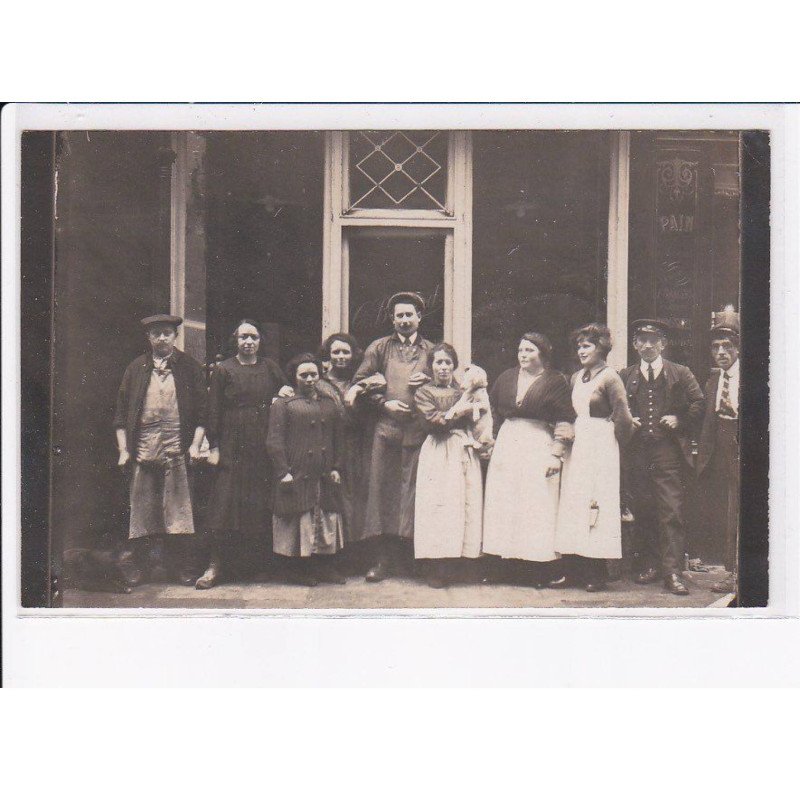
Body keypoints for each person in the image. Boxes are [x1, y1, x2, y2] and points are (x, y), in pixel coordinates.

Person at [113, 314, 207, 586]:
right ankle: (140, 569)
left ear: (175, 336)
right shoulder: (136, 368)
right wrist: (124, 450)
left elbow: (203, 413)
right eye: (156, 333)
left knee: (178, 510)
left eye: (167, 333)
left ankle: (179, 568)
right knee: (143, 510)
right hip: (144, 446)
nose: (162, 338)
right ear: (149, 337)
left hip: (177, 447)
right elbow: (121, 414)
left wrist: (195, 444)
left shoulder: (189, 367)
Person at [347, 291, 433, 582]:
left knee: (413, 492)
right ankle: (382, 560)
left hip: (418, 432)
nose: (404, 320)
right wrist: (384, 403)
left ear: (419, 317)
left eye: (409, 315)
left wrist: (430, 380)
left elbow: (448, 383)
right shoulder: (380, 348)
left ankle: (412, 561)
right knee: (382, 493)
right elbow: (359, 383)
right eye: (399, 316)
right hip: (385, 431)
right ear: (393, 319)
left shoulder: (431, 350)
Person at [196, 319, 288, 589]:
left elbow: (285, 394)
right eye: (243, 337)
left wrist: (283, 393)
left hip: (261, 442)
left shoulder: (270, 367)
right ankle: (214, 565)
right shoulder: (224, 369)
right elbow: (213, 409)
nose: (248, 342)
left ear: (260, 341)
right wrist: (214, 446)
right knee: (225, 503)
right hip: (232, 442)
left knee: (257, 502)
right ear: (235, 341)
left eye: (254, 337)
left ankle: (254, 565)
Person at [482, 332, 575, 586]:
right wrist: (490, 439)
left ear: (542, 354)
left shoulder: (556, 381)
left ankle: (537, 569)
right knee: (504, 502)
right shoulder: (506, 377)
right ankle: (502, 567)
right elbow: (492, 411)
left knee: (535, 505)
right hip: (508, 443)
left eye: (529, 350)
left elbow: (565, 419)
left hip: (537, 444)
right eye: (520, 350)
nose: (523, 355)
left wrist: (556, 454)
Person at [620, 319, 705, 595]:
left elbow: (699, 402)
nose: (647, 345)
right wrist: (628, 420)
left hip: (667, 451)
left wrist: (680, 419)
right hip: (638, 452)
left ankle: (672, 572)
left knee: (670, 510)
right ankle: (650, 565)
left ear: (663, 344)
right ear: (635, 344)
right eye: (642, 340)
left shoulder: (680, 373)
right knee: (644, 508)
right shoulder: (626, 375)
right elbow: (615, 409)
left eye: (653, 340)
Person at [554, 324, 635, 591]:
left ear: (601, 348)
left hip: (601, 446)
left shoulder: (611, 378)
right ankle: (573, 570)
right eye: (579, 346)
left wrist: (613, 446)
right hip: (578, 445)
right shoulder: (576, 377)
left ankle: (596, 573)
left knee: (597, 503)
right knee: (574, 502)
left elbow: (623, 418)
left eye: (587, 346)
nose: (581, 351)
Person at [267, 353, 345, 586]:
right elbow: (274, 441)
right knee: (299, 518)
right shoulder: (283, 405)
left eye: (313, 374)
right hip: (297, 472)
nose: (309, 379)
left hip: (323, 474)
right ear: (295, 376)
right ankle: (298, 569)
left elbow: (338, 439)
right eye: (304, 375)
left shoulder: (329, 404)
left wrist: (336, 467)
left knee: (325, 518)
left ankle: (324, 567)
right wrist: (283, 472)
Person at [413, 343, 484, 588]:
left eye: (448, 363)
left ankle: (462, 565)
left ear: (454, 366)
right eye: (438, 362)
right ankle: (436, 567)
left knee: (463, 504)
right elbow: (433, 422)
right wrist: (458, 412)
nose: (443, 367)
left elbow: (480, 414)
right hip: (438, 450)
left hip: (462, 448)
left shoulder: (463, 390)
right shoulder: (424, 393)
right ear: (431, 366)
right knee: (438, 506)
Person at [697, 307, 740, 594]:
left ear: (738, 348)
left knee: (741, 509)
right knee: (727, 511)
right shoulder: (714, 381)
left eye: (727, 346)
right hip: (720, 453)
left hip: (742, 450)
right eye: (716, 347)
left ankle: (739, 573)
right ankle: (731, 570)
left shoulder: (751, 376)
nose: (721, 352)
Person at [316, 332, 372, 550]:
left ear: (353, 355)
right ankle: (336, 550)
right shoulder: (319, 383)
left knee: (358, 494)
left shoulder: (358, 381)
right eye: (336, 352)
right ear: (328, 355)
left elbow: (379, 381)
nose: (341, 357)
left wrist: (360, 388)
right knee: (334, 496)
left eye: (345, 352)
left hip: (357, 443)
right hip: (330, 446)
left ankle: (358, 548)